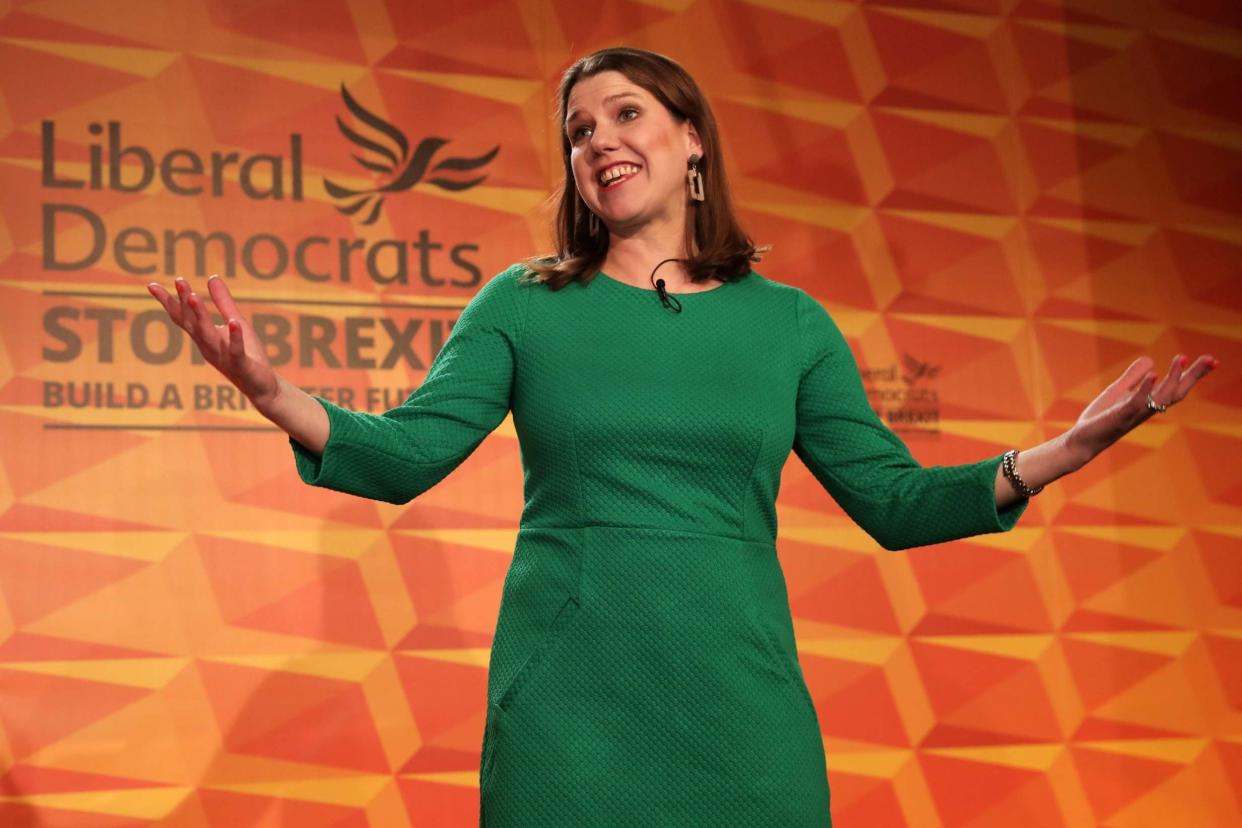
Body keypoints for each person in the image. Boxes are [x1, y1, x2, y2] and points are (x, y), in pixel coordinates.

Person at [148, 47, 1216, 827]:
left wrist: (1060, 454)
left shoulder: (789, 322)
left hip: (740, 720)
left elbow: (891, 504)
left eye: (625, 114)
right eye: (578, 130)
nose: (599, 141)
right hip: (568, 720)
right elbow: (407, 453)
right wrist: (270, 387)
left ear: (690, 136)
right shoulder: (525, 305)